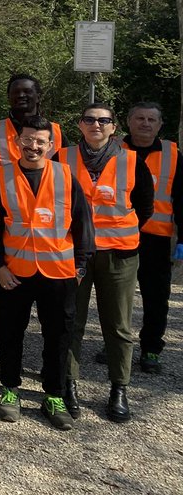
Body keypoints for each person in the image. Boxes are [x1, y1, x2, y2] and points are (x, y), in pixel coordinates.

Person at [0, 117, 94, 431]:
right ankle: (9, 389)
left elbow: (83, 223)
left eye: (40, 142)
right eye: (28, 140)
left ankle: (54, 395)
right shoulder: (0, 176)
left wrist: (81, 265)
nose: (33, 146)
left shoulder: (65, 175)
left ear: (51, 145)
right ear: (18, 142)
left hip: (59, 273)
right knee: (9, 333)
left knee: (58, 336)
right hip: (14, 272)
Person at [60, 103, 154, 423]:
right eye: (90, 119)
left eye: (104, 121)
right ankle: (68, 385)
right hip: (74, 253)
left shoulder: (131, 161)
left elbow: (144, 206)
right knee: (71, 321)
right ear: (80, 125)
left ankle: (119, 389)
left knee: (118, 325)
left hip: (119, 254)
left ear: (114, 127)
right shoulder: (63, 157)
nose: (96, 125)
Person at [122, 101, 183, 374]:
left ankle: (151, 349)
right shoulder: (113, 150)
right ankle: (116, 343)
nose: (145, 124)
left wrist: (182, 240)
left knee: (156, 297)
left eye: (151, 119)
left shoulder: (173, 155)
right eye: (139, 118)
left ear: (160, 125)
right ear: (128, 122)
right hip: (119, 236)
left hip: (157, 240)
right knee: (117, 297)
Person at [0, 73, 63, 166]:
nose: (21, 95)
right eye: (16, 92)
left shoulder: (55, 132)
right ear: (8, 97)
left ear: (38, 97)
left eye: (27, 91)